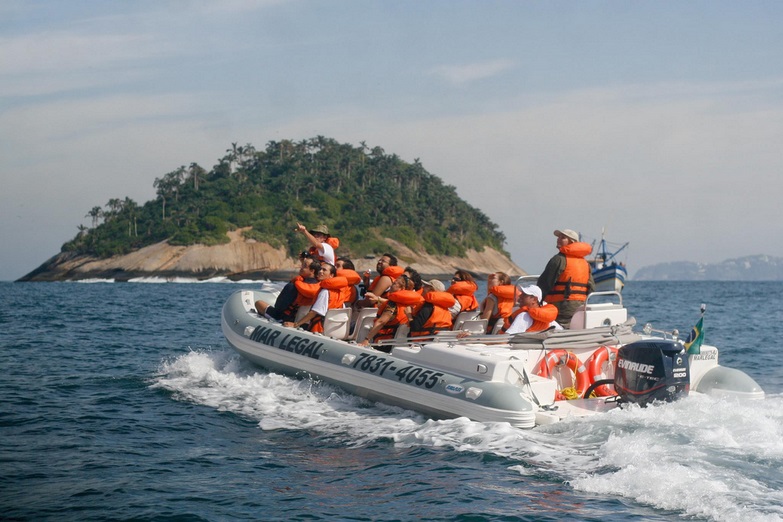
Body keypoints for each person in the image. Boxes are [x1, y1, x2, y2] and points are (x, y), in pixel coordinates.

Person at [537, 229, 595, 327]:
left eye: (563, 238)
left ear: (571, 242)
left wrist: (537, 302)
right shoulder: (585, 263)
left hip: (560, 308)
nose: (558, 239)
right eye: (558, 237)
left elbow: (544, 284)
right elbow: (592, 287)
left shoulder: (558, 259)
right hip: (580, 307)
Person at [359, 275, 422, 347]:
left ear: (402, 288)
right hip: (396, 342)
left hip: (383, 343)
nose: (391, 285)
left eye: (394, 284)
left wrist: (366, 339)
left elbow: (381, 322)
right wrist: (378, 299)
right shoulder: (410, 305)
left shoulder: (392, 305)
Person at [284, 263, 347, 333]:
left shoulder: (325, 292)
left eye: (324, 270)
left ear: (331, 275)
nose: (320, 271)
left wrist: (296, 324)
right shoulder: (339, 292)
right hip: (333, 330)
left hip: (319, 330)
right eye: (320, 269)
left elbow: (314, 312)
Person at [254, 256, 319, 323]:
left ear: (312, 271)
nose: (301, 267)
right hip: (300, 321)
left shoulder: (294, 286)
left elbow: (278, 306)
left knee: (258, 303)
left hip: (282, 318)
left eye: (304, 266)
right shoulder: (319, 288)